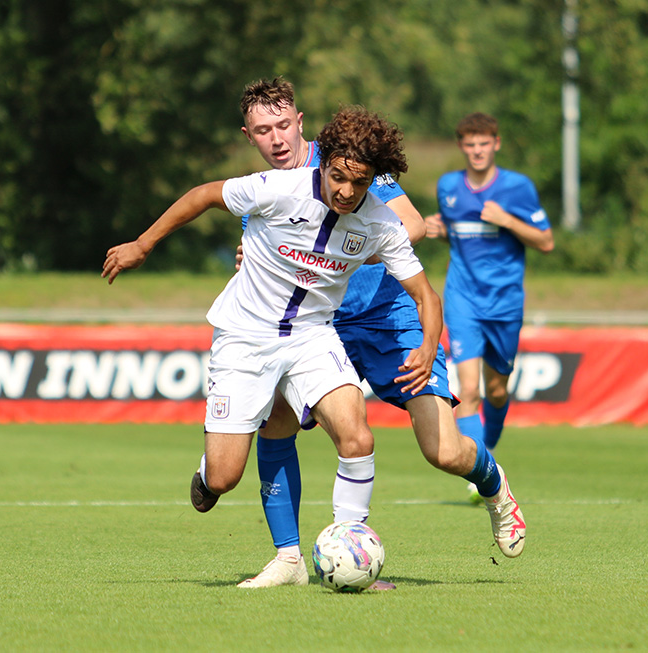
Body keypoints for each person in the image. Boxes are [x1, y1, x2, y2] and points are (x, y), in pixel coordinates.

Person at [103, 105, 445, 585]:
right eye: (339, 177)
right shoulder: (278, 189)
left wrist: (428, 346)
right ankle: (211, 472)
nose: (346, 192)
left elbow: (426, 296)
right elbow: (203, 196)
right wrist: (143, 244)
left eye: (360, 183)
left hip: (312, 337)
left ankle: (342, 552)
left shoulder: (379, 224)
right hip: (245, 338)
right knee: (223, 479)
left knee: (358, 437)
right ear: (324, 163)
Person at [223, 79, 525, 589]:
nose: (275, 138)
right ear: (249, 135)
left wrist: (340, 254)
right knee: (276, 420)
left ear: (300, 122)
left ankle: (495, 488)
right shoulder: (264, 190)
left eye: (282, 126)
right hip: (317, 327)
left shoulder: (350, 162)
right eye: (262, 130)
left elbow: (413, 225)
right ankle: (289, 558)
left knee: (443, 450)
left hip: (387, 316)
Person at [425, 112, 554, 458]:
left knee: (497, 391)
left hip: (505, 302)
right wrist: (441, 233)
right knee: (468, 389)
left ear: (496, 144)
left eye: (484, 144)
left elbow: (546, 242)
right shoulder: (448, 187)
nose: (478, 151)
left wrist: (508, 220)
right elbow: (461, 238)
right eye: (470, 145)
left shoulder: (517, 187)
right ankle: (479, 468)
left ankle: (490, 447)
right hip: (463, 297)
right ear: (461, 147)